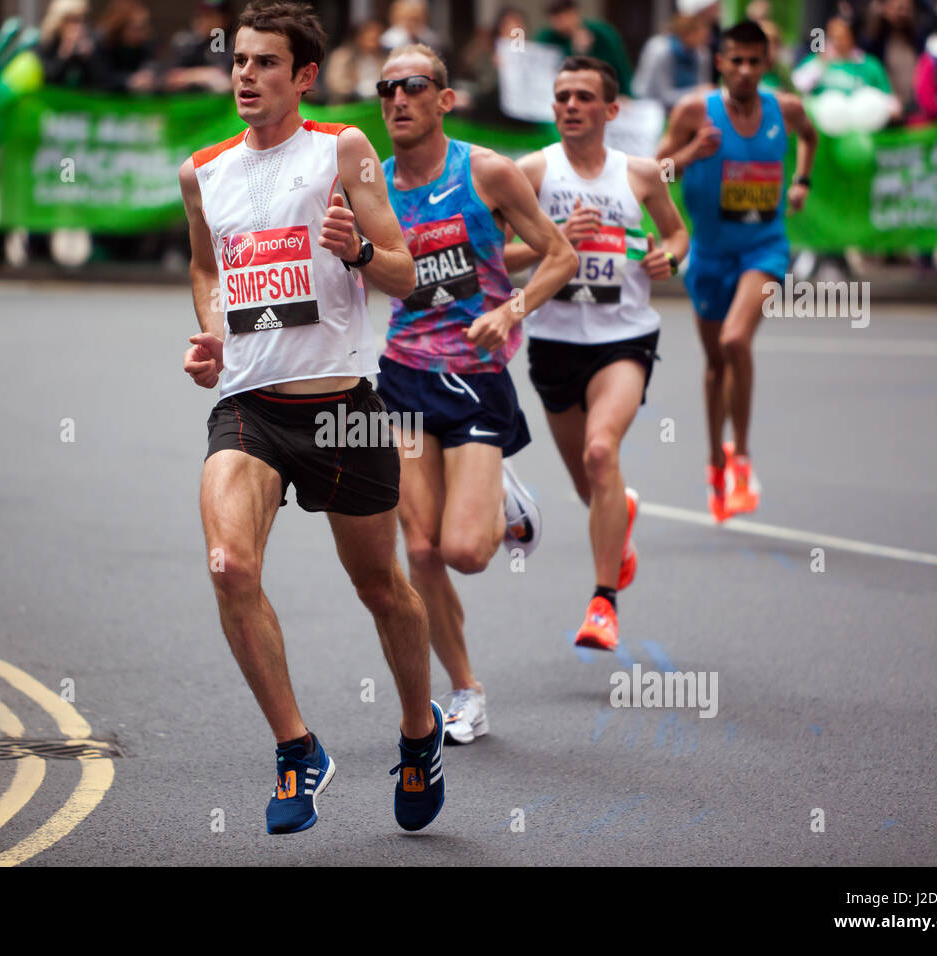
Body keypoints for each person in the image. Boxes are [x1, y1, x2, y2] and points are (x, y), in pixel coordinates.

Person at [179, 0, 446, 835]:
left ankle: (418, 731)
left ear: (303, 76)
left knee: (382, 588)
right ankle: (298, 751)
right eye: (238, 62)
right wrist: (216, 334)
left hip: (343, 409)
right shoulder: (203, 171)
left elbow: (408, 275)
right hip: (250, 409)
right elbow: (205, 268)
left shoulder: (343, 150)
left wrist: (358, 252)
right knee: (229, 565)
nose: (245, 77)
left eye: (264, 64)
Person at [375, 45, 576, 742]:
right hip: (401, 374)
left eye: (413, 86)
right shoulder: (372, 187)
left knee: (465, 552)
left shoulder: (486, 170)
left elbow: (558, 254)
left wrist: (509, 310)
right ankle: (466, 691)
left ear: (445, 99)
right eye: (386, 89)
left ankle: (503, 501)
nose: (397, 99)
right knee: (421, 551)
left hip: (475, 376)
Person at [504, 56, 687, 650]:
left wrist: (671, 257)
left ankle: (603, 603)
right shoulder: (531, 173)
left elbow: (677, 233)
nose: (570, 107)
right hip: (554, 344)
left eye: (583, 97)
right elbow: (494, 255)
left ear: (611, 110)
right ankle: (619, 521)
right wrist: (552, 247)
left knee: (602, 452)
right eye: (562, 97)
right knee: (592, 486)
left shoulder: (639, 175)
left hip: (624, 337)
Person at [656, 20, 816, 523]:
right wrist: (689, 154)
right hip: (708, 254)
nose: (745, 70)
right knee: (715, 366)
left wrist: (801, 181)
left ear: (766, 64)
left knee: (735, 342)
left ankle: (741, 458)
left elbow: (809, 137)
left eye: (754, 61)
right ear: (720, 62)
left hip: (764, 250)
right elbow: (652, 174)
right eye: (735, 60)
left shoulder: (784, 109)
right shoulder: (692, 112)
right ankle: (714, 459)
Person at [535, 0, 632, 97]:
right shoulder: (547, 38)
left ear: (576, 13)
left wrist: (625, 94)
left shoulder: (602, 34)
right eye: (557, 18)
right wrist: (574, 51)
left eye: (567, 15)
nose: (563, 22)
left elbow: (620, 68)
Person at [633, 14, 712, 113]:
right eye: (703, 30)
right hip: (651, 109)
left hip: (686, 107)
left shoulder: (702, 54)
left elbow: (703, 89)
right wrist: (695, 92)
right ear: (688, 33)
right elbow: (663, 96)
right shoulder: (660, 50)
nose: (708, 35)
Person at [163, 0, 233, 94]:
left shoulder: (233, 43)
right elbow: (172, 77)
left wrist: (191, 75)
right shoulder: (187, 44)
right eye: (199, 16)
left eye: (209, 16)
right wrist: (204, 75)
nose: (203, 21)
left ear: (224, 19)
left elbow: (225, 79)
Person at [91, 0, 157, 93]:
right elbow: (100, 77)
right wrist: (129, 80)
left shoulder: (145, 44)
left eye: (144, 27)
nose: (141, 33)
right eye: (137, 28)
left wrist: (149, 74)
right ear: (122, 27)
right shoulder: (104, 43)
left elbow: (151, 65)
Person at [323, 18, 384, 103]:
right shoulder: (343, 56)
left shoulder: (385, 57)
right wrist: (356, 90)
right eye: (370, 38)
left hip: (376, 104)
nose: (374, 42)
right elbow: (335, 83)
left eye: (377, 37)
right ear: (359, 37)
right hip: (349, 104)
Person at [39, 0, 96, 88]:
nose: (79, 26)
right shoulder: (46, 44)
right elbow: (48, 78)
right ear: (60, 21)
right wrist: (65, 51)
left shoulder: (88, 40)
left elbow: (99, 81)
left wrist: (88, 58)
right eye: (74, 20)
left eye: (82, 19)